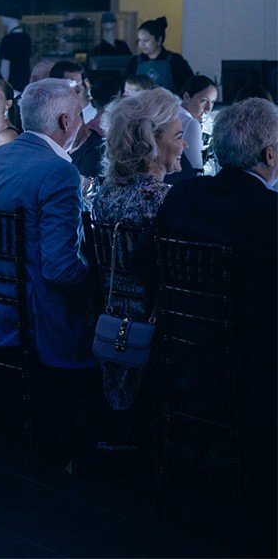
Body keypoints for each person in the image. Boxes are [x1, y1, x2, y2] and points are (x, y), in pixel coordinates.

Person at [139, 98, 277, 554]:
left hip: (178, 356)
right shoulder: (268, 215)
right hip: (251, 371)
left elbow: (144, 264)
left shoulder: (183, 195)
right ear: (270, 155)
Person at [0, 78, 90, 368]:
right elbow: (59, 269)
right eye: (80, 115)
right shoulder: (59, 171)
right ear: (66, 121)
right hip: (35, 319)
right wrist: (97, 283)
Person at [90, 88, 184, 411]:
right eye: (179, 136)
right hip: (157, 326)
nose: (185, 144)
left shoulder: (105, 193)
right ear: (151, 143)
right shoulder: (160, 200)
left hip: (111, 313)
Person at [124, 16, 194, 95]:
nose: (141, 44)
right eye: (139, 40)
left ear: (159, 40)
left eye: (146, 40)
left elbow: (189, 87)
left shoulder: (175, 60)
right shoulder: (135, 62)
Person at [176, 74, 217, 175]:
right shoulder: (191, 123)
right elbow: (197, 170)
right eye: (203, 101)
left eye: (212, 102)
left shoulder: (172, 113)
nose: (208, 108)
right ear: (186, 97)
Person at [0, 9, 33, 92]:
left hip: (11, 83)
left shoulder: (7, 39)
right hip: (24, 81)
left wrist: (3, 85)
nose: (1, 19)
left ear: (8, 18)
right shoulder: (26, 38)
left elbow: (5, 65)